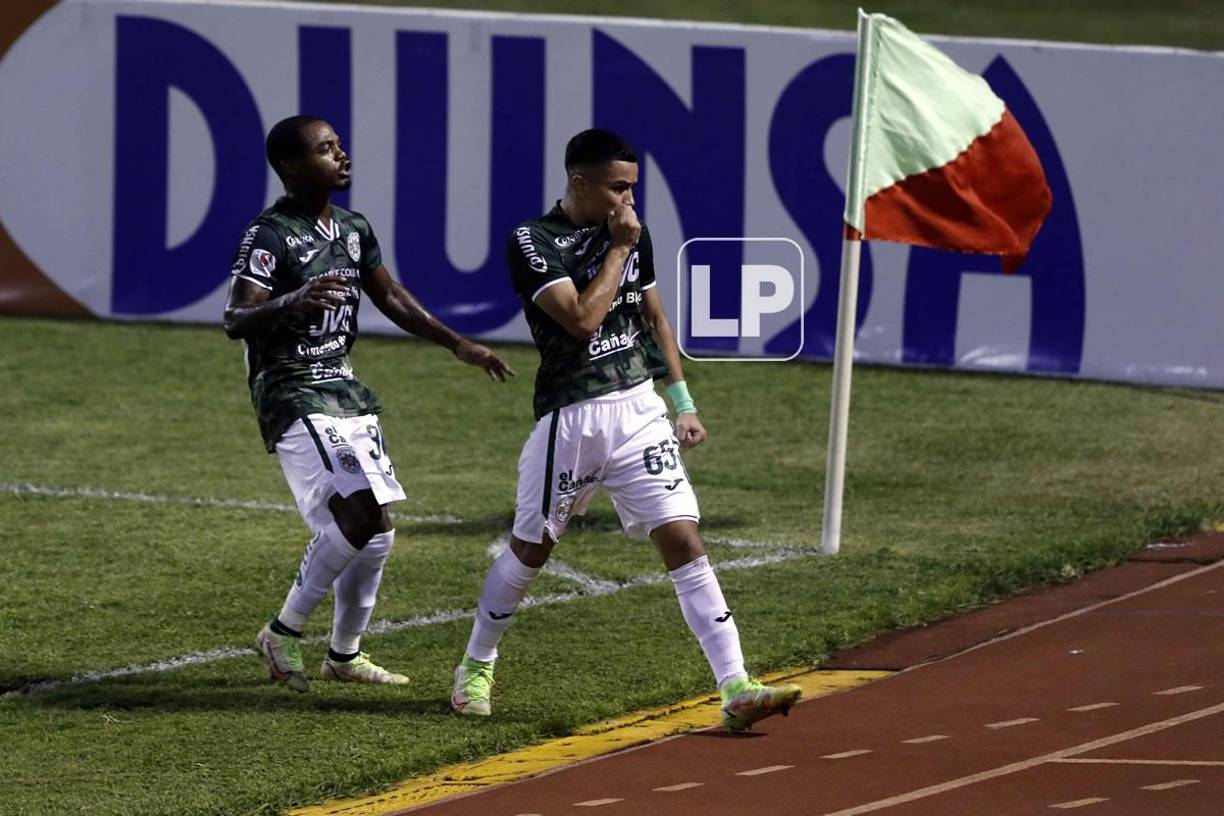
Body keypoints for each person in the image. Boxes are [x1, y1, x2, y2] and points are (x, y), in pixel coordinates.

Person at [449, 128, 800, 733]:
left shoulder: (634, 233)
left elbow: (654, 317)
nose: (628, 201)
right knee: (532, 549)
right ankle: (476, 666)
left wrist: (682, 402)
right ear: (579, 183)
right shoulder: (533, 241)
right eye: (618, 188)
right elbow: (582, 320)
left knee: (684, 538)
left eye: (633, 189)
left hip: (639, 409)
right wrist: (617, 250)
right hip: (573, 416)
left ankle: (736, 686)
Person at [224, 115, 514, 693]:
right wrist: (293, 300)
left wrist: (457, 343)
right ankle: (282, 631)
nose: (342, 155)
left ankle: (344, 655)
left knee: (377, 531)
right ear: (291, 166)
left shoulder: (353, 229)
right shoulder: (269, 235)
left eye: (339, 145)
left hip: (344, 388)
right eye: (326, 149)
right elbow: (236, 316)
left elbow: (390, 296)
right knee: (358, 512)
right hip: (292, 389)